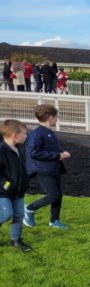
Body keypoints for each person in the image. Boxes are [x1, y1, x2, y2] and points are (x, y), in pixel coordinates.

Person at [24, 105, 71, 231]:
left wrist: (62, 153)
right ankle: (28, 209)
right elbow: (33, 153)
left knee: (58, 195)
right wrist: (57, 155)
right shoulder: (37, 134)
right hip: (42, 169)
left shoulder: (49, 132)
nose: (57, 119)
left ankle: (54, 221)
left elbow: (52, 148)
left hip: (53, 167)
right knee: (53, 196)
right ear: (50, 118)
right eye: (56, 117)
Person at [0, 119, 32, 252]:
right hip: (3, 192)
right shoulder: (1, 151)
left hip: (19, 191)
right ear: (14, 135)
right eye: (24, 134)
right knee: (7, 214)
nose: (26, 136)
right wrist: (6, 185)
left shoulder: (19, 148)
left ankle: (16, 240)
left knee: (19, 215)